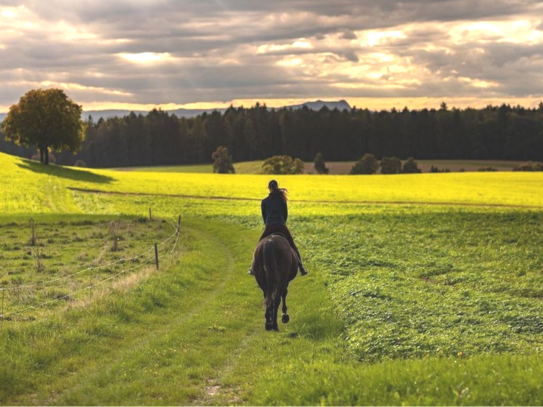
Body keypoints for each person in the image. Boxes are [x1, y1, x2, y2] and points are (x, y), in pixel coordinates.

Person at [249, 180, 308, 276]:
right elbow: (285, 215)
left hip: (269, 227)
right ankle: (301, 267)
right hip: (281, 226)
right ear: (277, 186)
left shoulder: (264, 201)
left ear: (269, 187)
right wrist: (281, 223)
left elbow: (264, 216)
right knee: (292, 245)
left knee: (258, 245)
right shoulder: (282, 200)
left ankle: (252, 268)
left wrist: (269, 225)